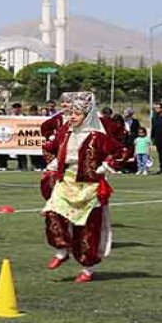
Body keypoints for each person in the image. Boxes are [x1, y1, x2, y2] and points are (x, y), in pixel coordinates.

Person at [41, 92, 125, 283]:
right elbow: (51, 147)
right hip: (66, 182)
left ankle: (88, 268)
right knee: (52, 213)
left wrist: (105, 167)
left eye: (76, 114)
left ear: (87, 115)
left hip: (89, 186)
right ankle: (62, 250)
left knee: (86, 228)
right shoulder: (65, 132)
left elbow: (121, 151)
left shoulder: (98, 136)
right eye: (71, 113)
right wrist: (53, 165)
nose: (72, 117)